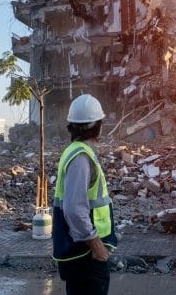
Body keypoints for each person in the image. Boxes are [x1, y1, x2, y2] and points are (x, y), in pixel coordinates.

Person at [52, 94, 117, 295]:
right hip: (86, 254)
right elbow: (74, 210)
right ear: (97, 126)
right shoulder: (81, 157)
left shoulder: (74, 151)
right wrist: (97, 246)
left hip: (81, 252)